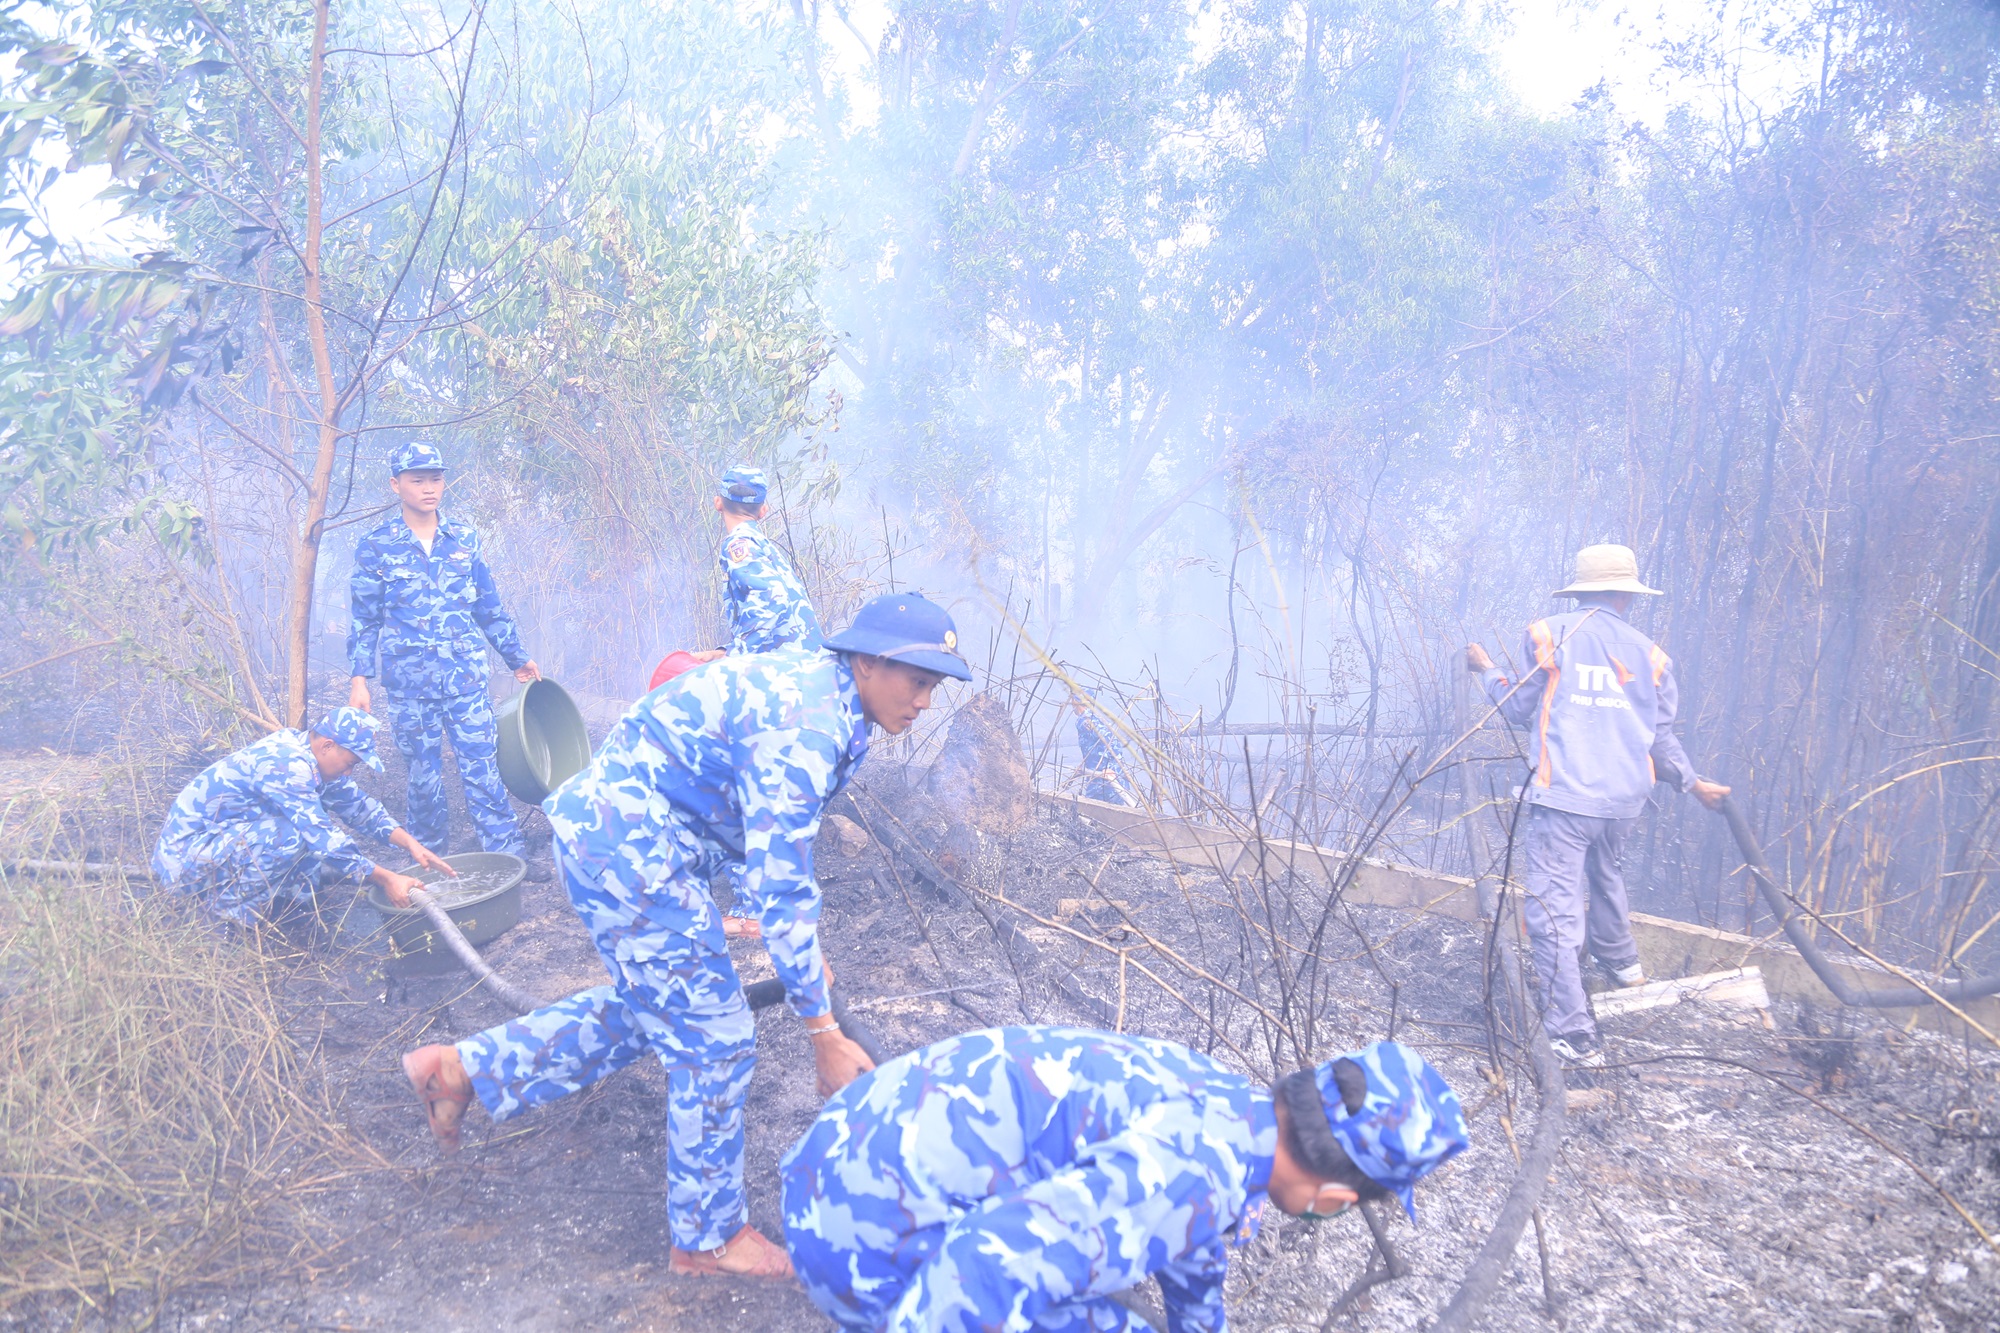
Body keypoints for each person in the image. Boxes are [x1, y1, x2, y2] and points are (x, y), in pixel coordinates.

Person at [399, 593, 972, 1280]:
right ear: (872, 660)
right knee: (715, 1037)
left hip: (632, 839)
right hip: (629, 849)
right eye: (918, 682)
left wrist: (800, 962)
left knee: (658, 1011)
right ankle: (707, 1240)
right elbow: (784, 878)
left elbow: (755, 829)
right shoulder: (808, 723)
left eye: (934, 687)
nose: (925, 702)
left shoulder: (829, 696)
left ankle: (462, 1069)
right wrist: (823, 1030)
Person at [781, 1026, 1469, 1333]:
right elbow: (974, 1270)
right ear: (1337, 1199)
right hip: (853, 1238)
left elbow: (1191, 1239)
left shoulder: (1229, 1109)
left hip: (835, 1156)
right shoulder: (1195, 1178)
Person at [1466, 543, 1730, 1066]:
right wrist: (1692, 783)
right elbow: (1660, 737)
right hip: (1625, 801)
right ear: (1625, 597)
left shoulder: (1549, 633)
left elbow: (1519, 707)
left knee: (1553, 914)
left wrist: (1485, 670)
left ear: (1581, 590)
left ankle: (1572, 1034)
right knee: (1606, 874)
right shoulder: (1651, 655)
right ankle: (1621, 965)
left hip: (1567, 798)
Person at [347, 442, 541, 861]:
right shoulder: (376, 545)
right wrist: (359, 680)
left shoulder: (464, 539)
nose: (429, 488)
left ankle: (509, 858)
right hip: (409, 687)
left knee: (483, 770)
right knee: (422, 778)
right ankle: (430, 859)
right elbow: (364, 619)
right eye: (418, 480)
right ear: (396, 485)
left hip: (465, 680)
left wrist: (516, 656)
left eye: (435, 479)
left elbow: (489, 607)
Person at [152, 707, 452, 924]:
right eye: (349, 763)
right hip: (186, 861)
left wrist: (411, 844)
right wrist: (387, 879)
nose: (349, 772)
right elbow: (324, 840)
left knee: (301, 843)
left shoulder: (311, 757)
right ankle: (227, 918)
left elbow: (359, 807)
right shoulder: (287, 765)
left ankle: (285, 907)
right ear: (327, 745)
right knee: (295, 836)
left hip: (220, 846)